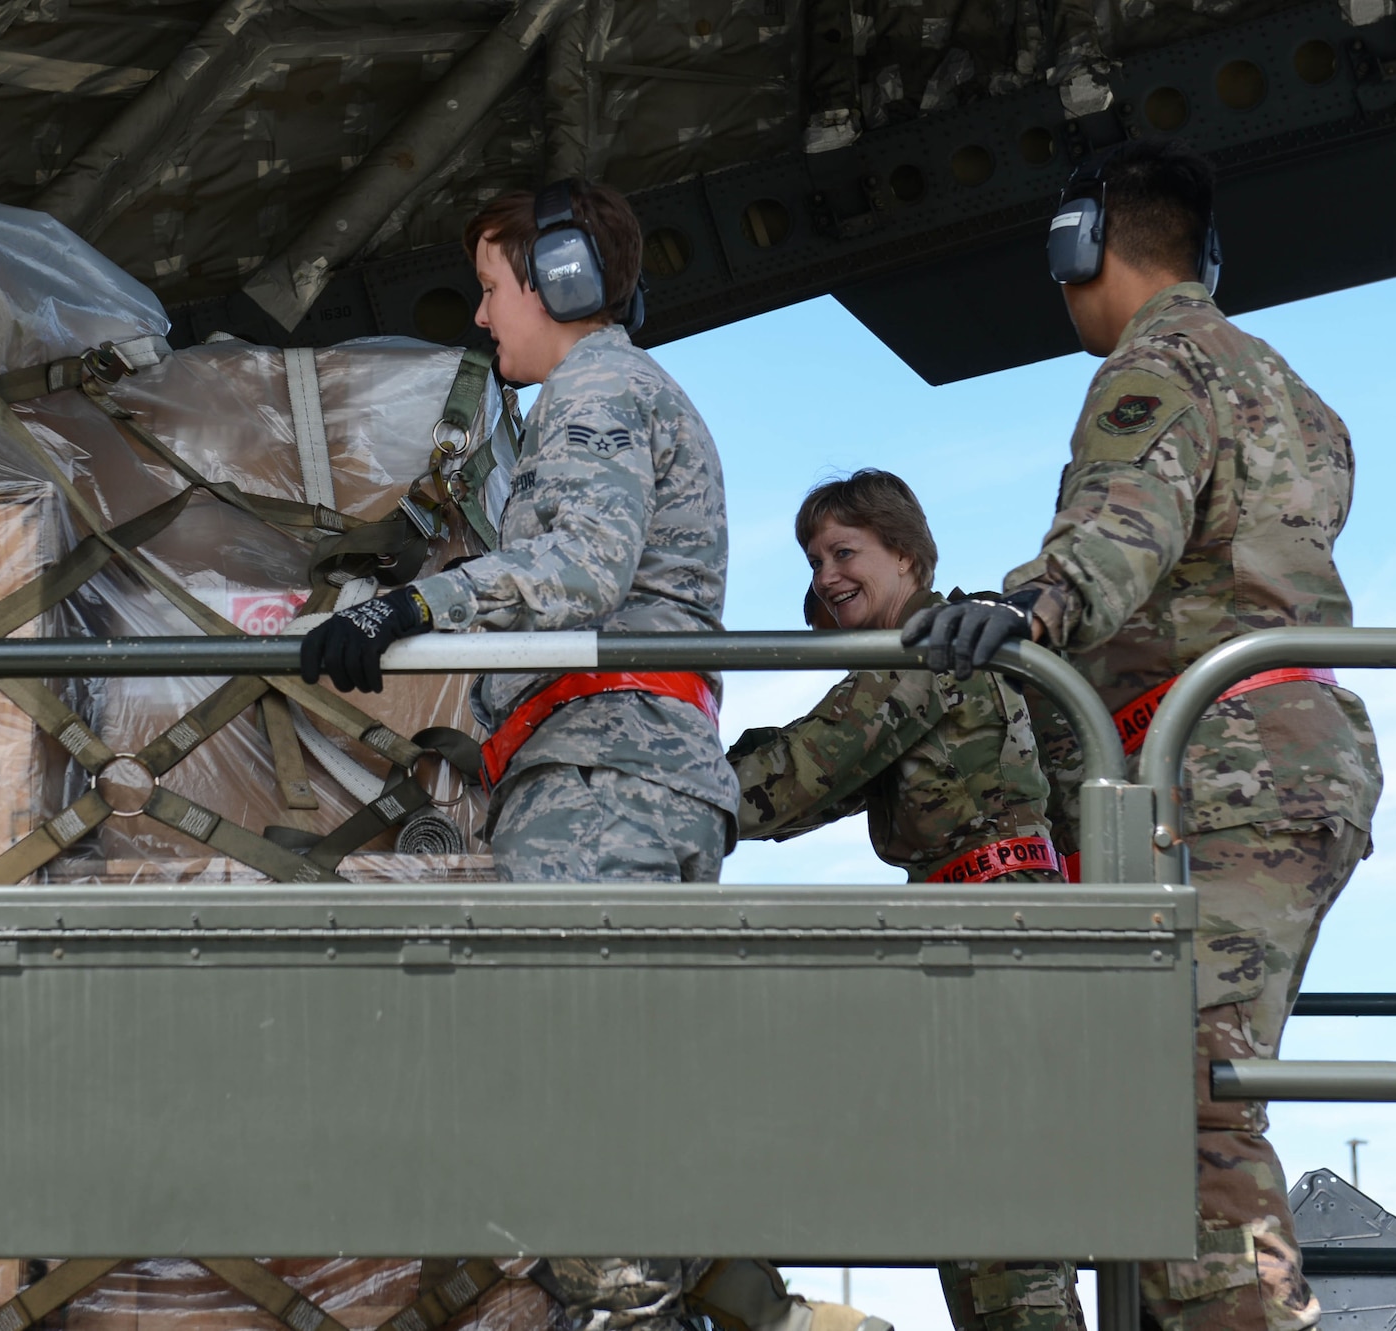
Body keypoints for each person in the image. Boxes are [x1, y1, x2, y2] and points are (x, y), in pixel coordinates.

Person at [903, 140, 1382, 1331]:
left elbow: (1127, 520)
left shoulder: (1154, 366)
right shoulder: (1288, 388)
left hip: (1218, 766)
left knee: (1180, 1113)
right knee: (1190, 1096)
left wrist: (1028, 607)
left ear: (1080, 248)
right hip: (1288, 756)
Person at [300, 178, 746, 1331]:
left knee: (565, 1082)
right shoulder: (617, 393)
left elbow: (584, 562)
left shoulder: (595, 387)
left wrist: (408, 612)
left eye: (494, 288)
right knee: (610, 1086)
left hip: (607, 778)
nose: (485, 318)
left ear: (562, 280)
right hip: (633, 777)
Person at [726, 469, 1080, 1331]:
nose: (825, 576)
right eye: (814, 560)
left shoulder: (929, 653)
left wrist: (645, 789)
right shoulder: (963, 647)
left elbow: (799, 776)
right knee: (980, 1217)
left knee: (1001, 1228)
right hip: (989, 933)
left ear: (909, 556)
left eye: (845, 552)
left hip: (988, 940)